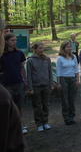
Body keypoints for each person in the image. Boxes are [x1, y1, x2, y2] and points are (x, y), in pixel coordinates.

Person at [0, 16, 28, 151]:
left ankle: (20, 124)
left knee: (20, 105)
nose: (15, 42)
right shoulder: (3, 56)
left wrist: (25, 80)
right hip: (6, 84)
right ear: (5, 40)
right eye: (12, 40)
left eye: (16, 40)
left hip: (19, 82)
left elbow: (23, 67)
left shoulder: (20, 54)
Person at [27, 42, 54, 131]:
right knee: (37, 105)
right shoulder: (31, 60)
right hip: (36, 86)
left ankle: (45, 121)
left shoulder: (47, 59)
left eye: (42, 48)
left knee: (46, 104)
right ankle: (39, 123)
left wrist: (51, 84)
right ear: (35, 49)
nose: (41, 50)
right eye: (39, 48)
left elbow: (50, 72)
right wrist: (30, 88)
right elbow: (29, 75)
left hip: (46, 84)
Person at [56, 41, 79, 125]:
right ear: (63, 48)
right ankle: (66, 118)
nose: (69, 48)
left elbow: (76, 69)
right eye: (67, 47)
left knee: (71, 99)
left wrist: (77, 80)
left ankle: (72, 117)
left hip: (72, 78)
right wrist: (58, 83)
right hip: (63, 78)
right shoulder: (60, 58)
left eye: (70, 47)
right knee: (65, 100)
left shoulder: (74, 57)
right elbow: (58, 71)